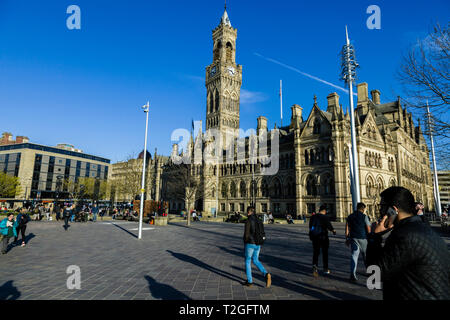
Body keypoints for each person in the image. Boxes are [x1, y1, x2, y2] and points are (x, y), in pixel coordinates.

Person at [367, 186, 450, 300]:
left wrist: (374, 237)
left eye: (382, 207)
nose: (380, 211)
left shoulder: (403, 236)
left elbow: (374, 277)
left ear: (393, 209)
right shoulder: (426, 230)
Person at [242, 206, 271, 288]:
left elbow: (246, 234)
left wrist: (245, 241)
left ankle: (250, 281)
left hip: (250, 243)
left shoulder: (248, 220)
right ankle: (266, 274)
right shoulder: (259, 220)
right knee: (256, 260)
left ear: (248, 212)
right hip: (258, 243)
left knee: (248, 261)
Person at [345, 202, 371, 282]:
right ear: (363, 209)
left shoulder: (350, 216)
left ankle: (353, 273)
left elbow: (347, 228)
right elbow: (368, 229)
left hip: (353, 238)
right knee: (366, 256)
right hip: (363, 238)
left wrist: (347, 238)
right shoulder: (364, 217)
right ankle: (369, 271)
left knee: (354, 256)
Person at [309, 204, 336, 277]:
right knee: (325, 253)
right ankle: (325, 268)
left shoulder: (313, 217)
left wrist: (311, 234)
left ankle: (315, 266)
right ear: (324, 211)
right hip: (323, 237)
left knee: (316, 252)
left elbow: (311, 227)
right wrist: (333, 231)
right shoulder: (325, 217)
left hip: (315, 237)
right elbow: (329, 226)